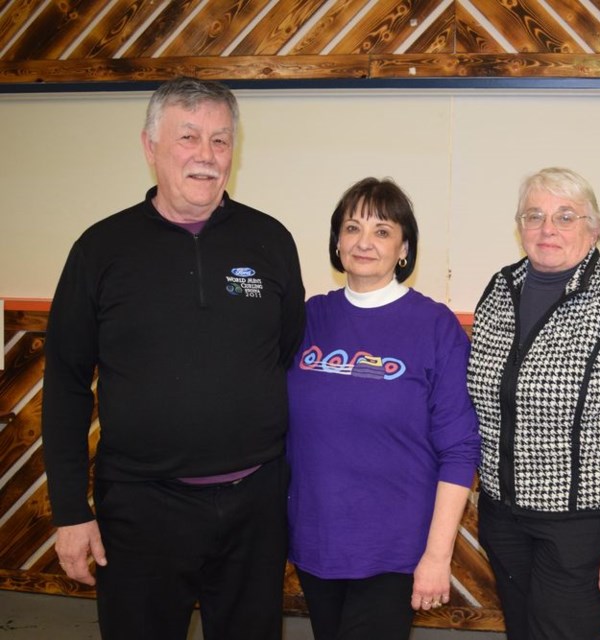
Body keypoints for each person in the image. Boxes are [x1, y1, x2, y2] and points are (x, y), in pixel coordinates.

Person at [41, 77, 306, 640]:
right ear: (149, 146)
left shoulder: (271, 241)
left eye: (220, 140)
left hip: (254, 506)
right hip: (141, 506)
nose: (206, 157)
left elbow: (282, 355)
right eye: (188, 137)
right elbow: (64, 382)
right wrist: (70, 510)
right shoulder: (100, 249)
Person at [467, 167, 600, 640]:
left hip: (583, 529)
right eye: (534, 215)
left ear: (594, 226)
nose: (547, 229)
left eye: (566, 216)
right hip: (504, 521)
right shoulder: (501, 289)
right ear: (518, 225)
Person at [286, 177, 481, 640]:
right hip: (316, 541)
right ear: (337, 242)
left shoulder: (435, 326)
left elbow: (459, 449)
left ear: (404, 248)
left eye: (382, 230)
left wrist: (437, 555)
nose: (364, 242)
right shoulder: (309, 318)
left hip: (394, 549)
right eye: (352, 228)